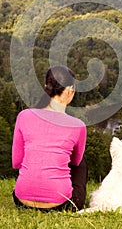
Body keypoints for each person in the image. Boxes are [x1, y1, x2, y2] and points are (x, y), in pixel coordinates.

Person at [12, 65, 87, 212]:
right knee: (81, 161)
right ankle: (59, 192)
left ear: (47, 86)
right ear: (71, 91)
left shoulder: (24, 116)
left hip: (22, 201)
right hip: (61, 204)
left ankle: (32, 188)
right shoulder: (78, 126)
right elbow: (75, 162)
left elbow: (16, 162)